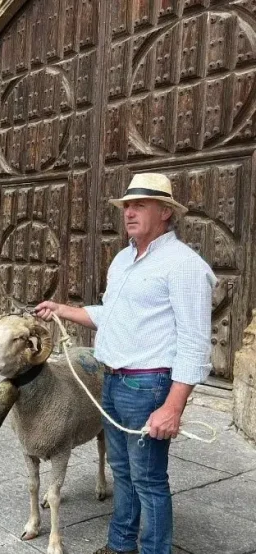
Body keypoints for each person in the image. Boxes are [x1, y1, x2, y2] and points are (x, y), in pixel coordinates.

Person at [35, 173, 216, 554]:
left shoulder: (183, 265)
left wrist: (173, 406)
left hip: (149, 386)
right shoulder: (123, 258)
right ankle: (120, 546)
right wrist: (62, 310)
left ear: (165, 212)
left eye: (140, 205)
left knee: (148, 479)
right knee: (123, 473)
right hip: (112, 383)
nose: (129, 213)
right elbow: (114, 314)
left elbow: (196, 342)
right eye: (127, 206)